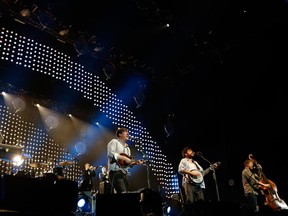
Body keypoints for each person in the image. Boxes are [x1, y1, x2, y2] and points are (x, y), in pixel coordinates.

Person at [107, 127, 143, 193]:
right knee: (123, 193)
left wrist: (136, 163)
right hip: (115, 173)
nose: (128, 133)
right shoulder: (114, 142)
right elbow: (110, 153)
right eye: (126, 132)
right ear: (120, 134)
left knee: (127, 194)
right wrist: (124, 158)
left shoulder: (128, 149)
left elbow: (127, 164)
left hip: (124, 174)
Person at [178, 147, 206, 215]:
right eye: (190, 151)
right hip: (188, 183)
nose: (192, 152)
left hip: (198, 184)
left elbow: (201, 172)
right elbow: (180, 170)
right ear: (185, 154)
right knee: (190, 202)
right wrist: (192, 173)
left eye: (192, 150)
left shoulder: (195, 162)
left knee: (201, 202)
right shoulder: (183, 160)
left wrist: (211, 168)